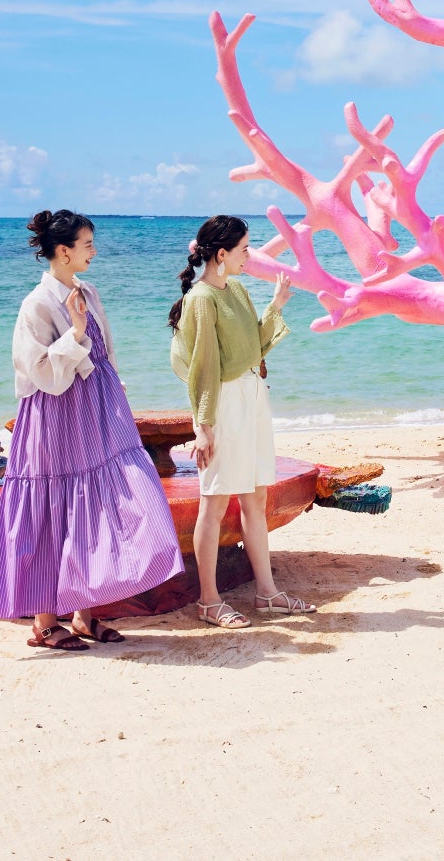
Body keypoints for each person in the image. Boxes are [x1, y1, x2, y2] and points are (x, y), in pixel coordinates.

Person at [0, 209, 185, 650]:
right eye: (87, 245)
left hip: (97, 413)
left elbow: (106, 355)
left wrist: (115, 397)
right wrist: (76, 332)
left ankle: (84, 614)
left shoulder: (88, 291)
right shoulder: (37, 304)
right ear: (64, 251)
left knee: (107, 501)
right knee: (52, 508)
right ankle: (44, 623)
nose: (94, 251)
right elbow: (39, 372)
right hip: (54, 418)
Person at [168, 215, 309, 629]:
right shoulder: (201, 299)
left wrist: (276, 306)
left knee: (255, 498)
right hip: (223, 405)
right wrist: (203, 425)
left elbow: (255, 346)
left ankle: (267, 593)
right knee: (213, 502)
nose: (250, 255)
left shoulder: (239, 289)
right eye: (245, 249)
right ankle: (209, 600)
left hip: (251, 398)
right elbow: (204, 367)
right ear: (221, 254)